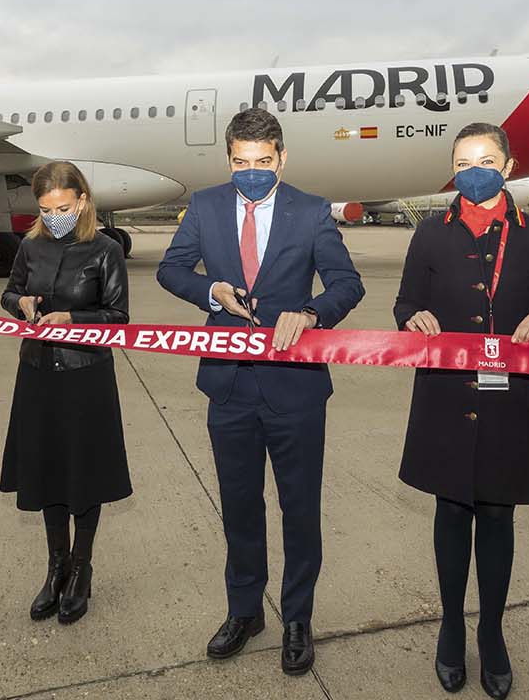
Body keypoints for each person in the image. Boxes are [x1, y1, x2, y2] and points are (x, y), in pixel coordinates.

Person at [157, 107, 364, 676]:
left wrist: (311, 311)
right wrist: (210, 291)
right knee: (239, 507)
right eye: (241, 162)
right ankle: (245, 610)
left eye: (263, 162)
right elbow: (171, 270)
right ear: (228, 159)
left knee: (299, 510)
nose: (252, 172)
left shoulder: (313, 211)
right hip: (228, 384)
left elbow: (347, 283)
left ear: (282, 158)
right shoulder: (205, 206)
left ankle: (297, 617)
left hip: (294, 387)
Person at [393, 123, 529, 697]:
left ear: (510, 166)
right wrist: (411, 318)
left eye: (487, 160)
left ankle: (491, 631)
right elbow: (406, 300)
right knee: (451, 510)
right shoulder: (429, 234)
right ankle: (450, 624)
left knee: (498, 514)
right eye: (464, 161)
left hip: (509, 394)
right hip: (447, 390)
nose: (475, 170)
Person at [0, 161, 132, 625]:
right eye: (45, 208)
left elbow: (118, 316)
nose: (54, 215)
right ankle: (55, 567)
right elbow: (9, 293)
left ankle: (81, 567)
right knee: (46, 471)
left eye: (62, 206)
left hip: (84, 375)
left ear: (82, 201)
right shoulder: (30, 247)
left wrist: (75, 320)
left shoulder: (104, 250)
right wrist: (23, 303)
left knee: (84, 475)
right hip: (37, 373)